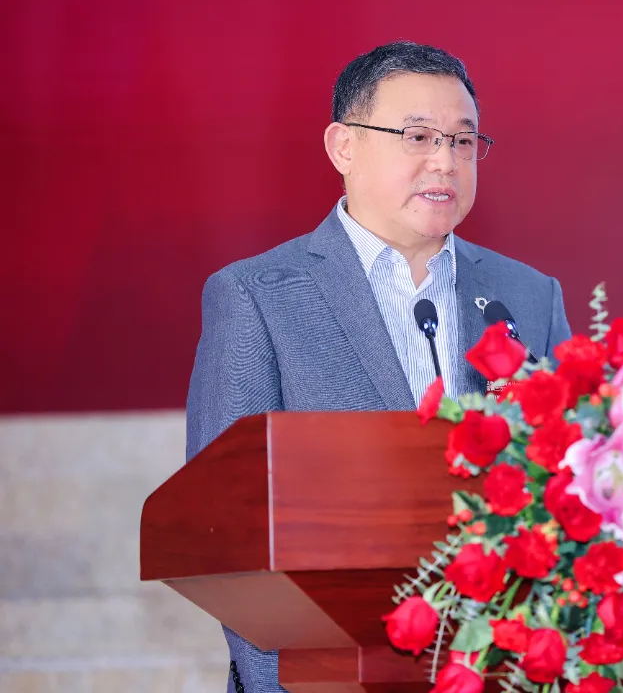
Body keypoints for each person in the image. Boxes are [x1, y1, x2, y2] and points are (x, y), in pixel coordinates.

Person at [185, 41, 572, 693]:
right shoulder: (259, 297)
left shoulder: (529, 295)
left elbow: (570, 496)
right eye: (418, 136)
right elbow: (225, 531)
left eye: (463, 141)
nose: (444, 161)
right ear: (344, 146)